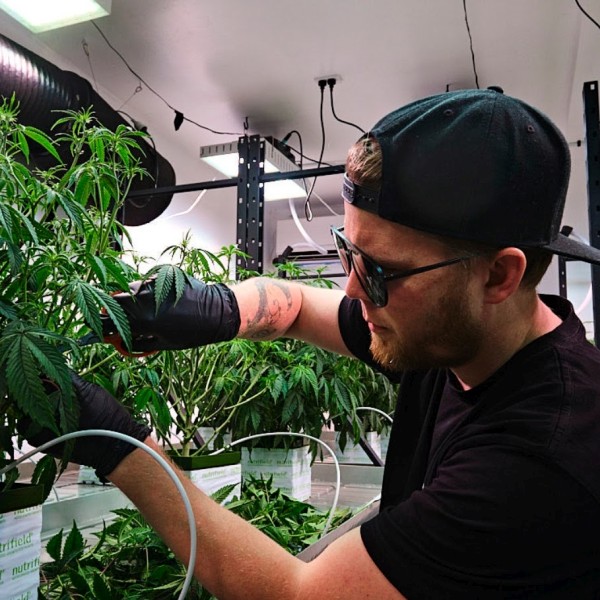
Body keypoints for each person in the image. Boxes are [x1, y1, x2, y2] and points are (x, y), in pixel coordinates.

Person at [27, 87, 600, 598]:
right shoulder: (456, 336)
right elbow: (296, 305)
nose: (351, 287)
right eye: (348, 251)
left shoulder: (542, 457)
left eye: (380, 270)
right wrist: (214, 310)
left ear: (499, 276)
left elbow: (295, 592)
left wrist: (121, 446)